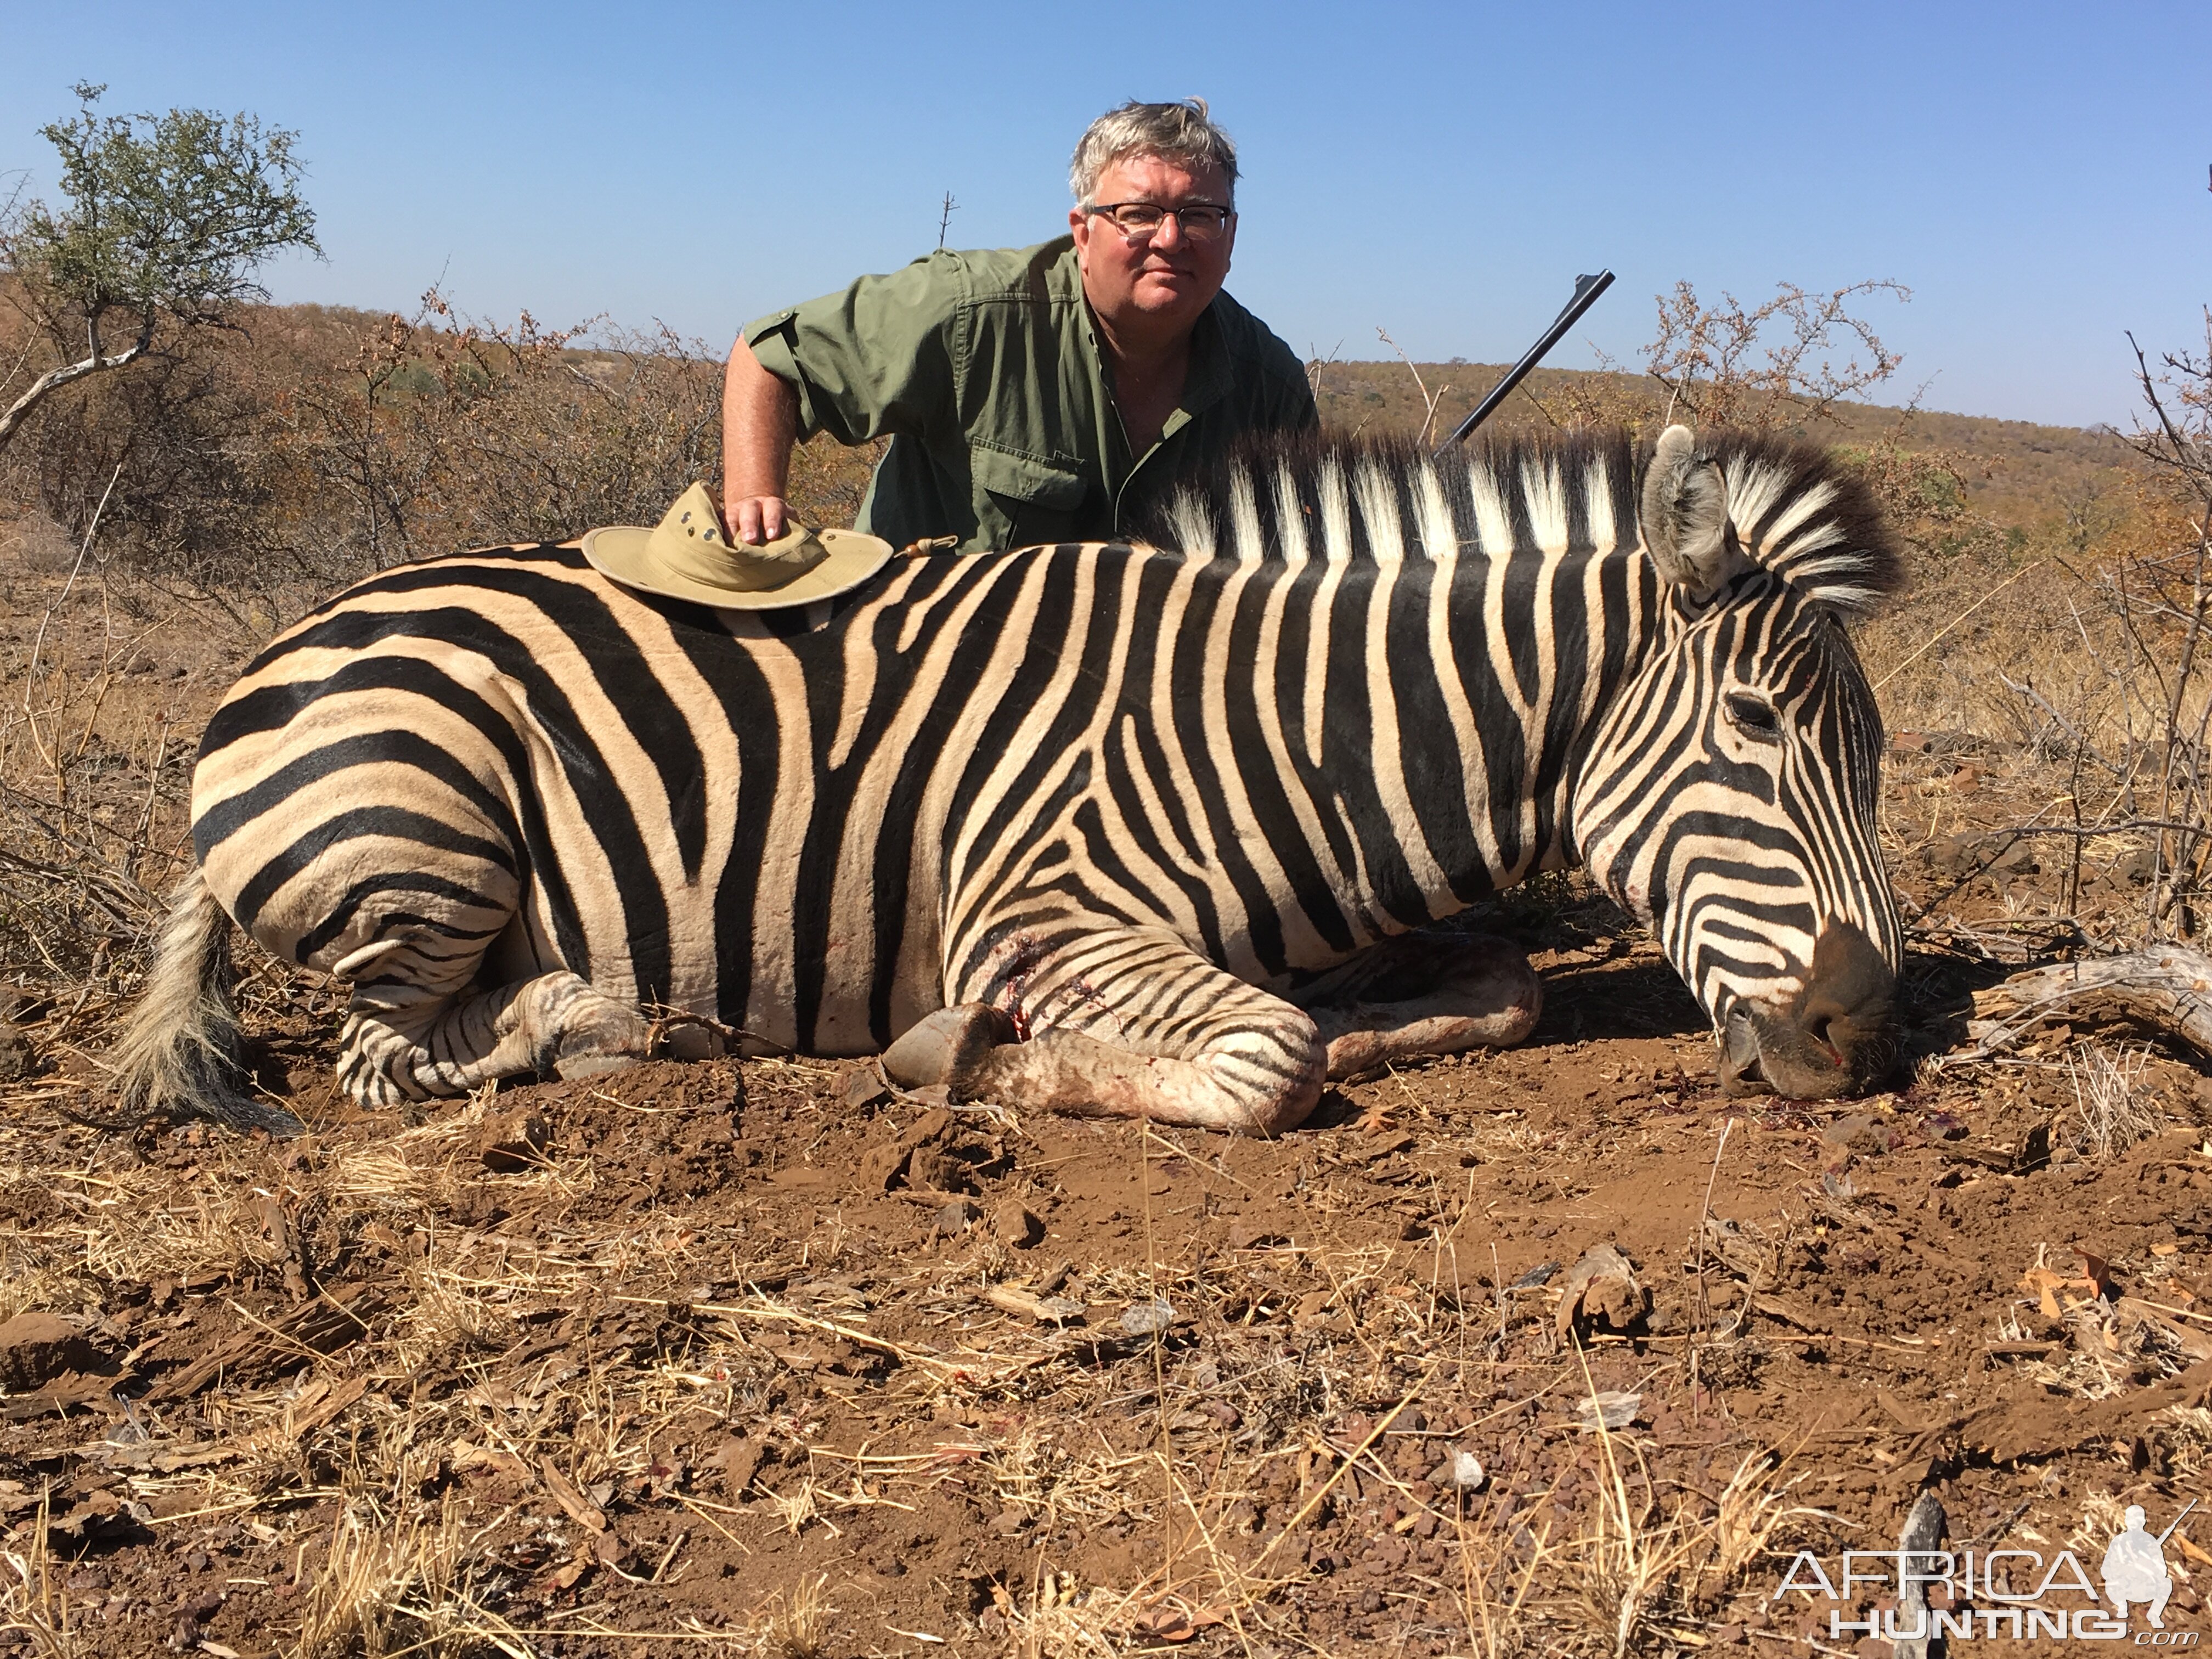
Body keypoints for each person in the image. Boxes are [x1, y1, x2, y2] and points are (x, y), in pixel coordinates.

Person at [721, 99, 1317, 555]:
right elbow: (772, 359)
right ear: (1082, 233)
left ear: (1231, 235)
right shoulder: (967, 312)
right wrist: (754, 502)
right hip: (920, 665)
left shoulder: (1272, 390)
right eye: (1138, 214)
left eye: (1199, 216)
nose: (1169, 239)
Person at [2102, 1505, 2174, 1628]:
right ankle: (2122, 1606)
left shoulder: (2150, 1541)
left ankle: (2154, 1615)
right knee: (2111, 1583)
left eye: (2138, 1520)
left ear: (2144, 1522)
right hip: (2124, 1586)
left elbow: (2162, 1569)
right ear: (2126, 1521)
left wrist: (2147, 1568)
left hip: (2145, 1587)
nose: (2135, 1523)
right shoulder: (2119, 1541)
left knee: (2166, 1584)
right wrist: (2123, 1570)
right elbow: (2106, 1568)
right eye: (2131, 1519)